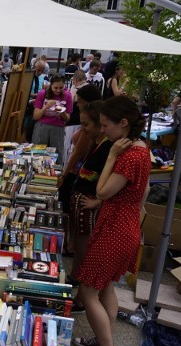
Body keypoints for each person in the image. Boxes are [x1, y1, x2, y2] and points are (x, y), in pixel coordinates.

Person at [74, 95, 151, 346]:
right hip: (124, 226)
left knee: (88, 288)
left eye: (106, 125)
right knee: (105, 285)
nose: (102, 130)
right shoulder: (142, 149)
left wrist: (111, 157)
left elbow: (102, 191)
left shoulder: (127, 155)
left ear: (124, 123)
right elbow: (145, 191)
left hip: (116, 230)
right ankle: (103, 338)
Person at [66, 101, 112, 293]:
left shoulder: (109, 147)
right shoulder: (98, 142)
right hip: (82, 202)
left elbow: (114, 182)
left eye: (86, 124)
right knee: (79, 246)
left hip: (88, 205)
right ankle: (76, 278)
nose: (83, 129)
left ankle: (84, 295)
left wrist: (98, 201)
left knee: (85, 250)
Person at [32, 74, 73, 164]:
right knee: (38, 153)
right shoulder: (43, 94)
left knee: (57, 155)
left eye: (61, 87)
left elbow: (67, 119)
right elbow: (36, 116)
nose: (58, 90)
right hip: (42, 126)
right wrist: (46, 106)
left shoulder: (68, 96)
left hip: (58, 128)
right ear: (51, 85)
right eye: (55, 88)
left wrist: (62, 111)